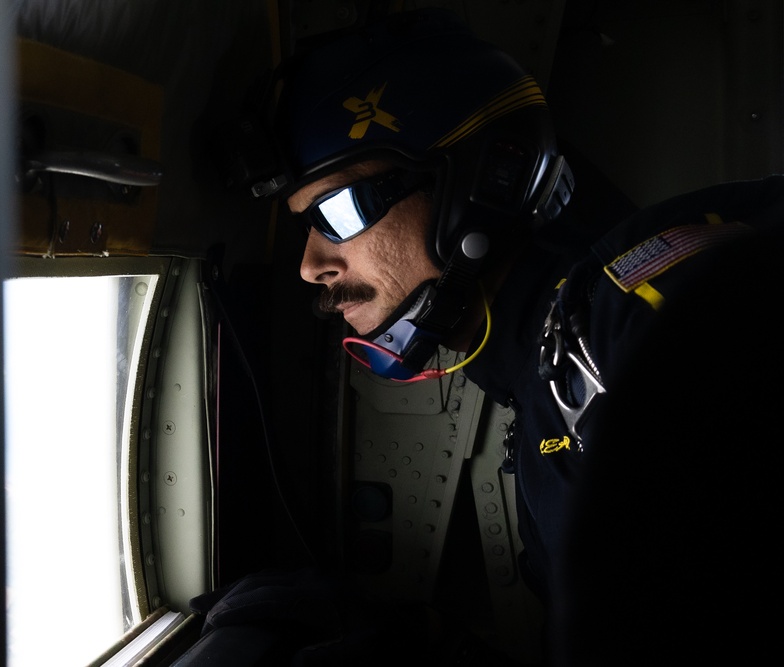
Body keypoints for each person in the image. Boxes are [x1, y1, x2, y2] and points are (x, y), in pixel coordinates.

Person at [195, 6, 783, 664]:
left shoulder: (631, 318)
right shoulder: (548, 385)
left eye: (337, 210)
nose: (310, 265)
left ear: (482, 180)